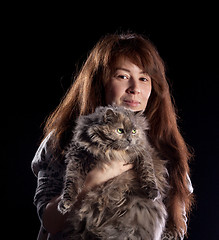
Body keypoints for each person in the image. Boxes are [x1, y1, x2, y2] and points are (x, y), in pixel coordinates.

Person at [32, 32, 194, 240]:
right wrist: (90, 183)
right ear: (100, 81)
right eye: (123, 76)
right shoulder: (63, 138)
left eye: (144, 78)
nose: (135, 89)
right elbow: (49, 222)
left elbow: (177, 226)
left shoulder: (164, 143)